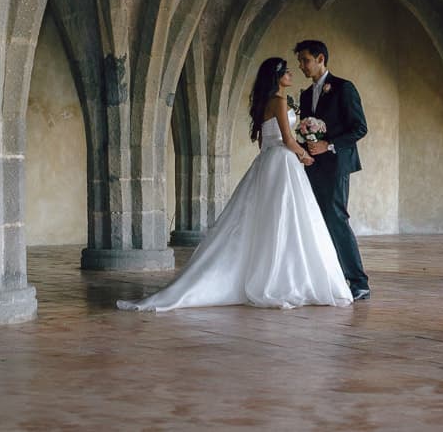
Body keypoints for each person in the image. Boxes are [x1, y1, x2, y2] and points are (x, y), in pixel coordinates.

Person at [117, 57, 352, 311]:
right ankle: (282, 279)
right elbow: (287, 139)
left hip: (267, 162)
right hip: (284, 162)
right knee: (286, 219)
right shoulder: (280, 101)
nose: (291, 74)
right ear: (277, 76)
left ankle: (271, 274)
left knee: (267, 219)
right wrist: (304, 156)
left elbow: (264, 143)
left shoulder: (265, 103)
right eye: (287, 71)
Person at [295, 39, 370, 300]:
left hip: (337, 163)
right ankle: (332, 277)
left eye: (305, 60)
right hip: (313, 166)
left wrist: (328, 145)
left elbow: (359, 128)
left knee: (336, 218)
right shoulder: (305, 95)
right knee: (316, 219)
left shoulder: (343, 88)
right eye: (300, 62)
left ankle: (359, 282)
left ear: (320, 59)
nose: (302, 66)